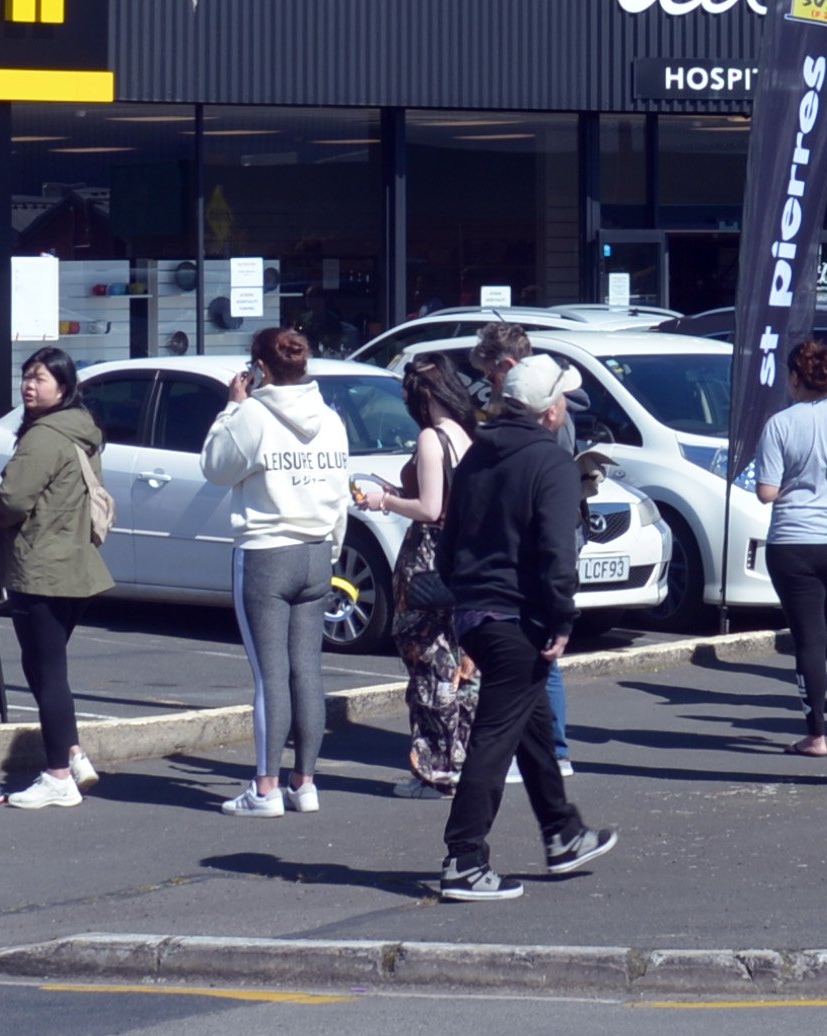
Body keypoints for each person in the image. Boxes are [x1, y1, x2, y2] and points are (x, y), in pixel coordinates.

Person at [431, 351, 618, 902]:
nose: (564, 405)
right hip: (519, 617)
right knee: (494, 738)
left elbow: (449, 539)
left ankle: (562, 832)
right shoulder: (551, 462)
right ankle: (464, 858)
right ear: (549, 412)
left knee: (533, 727)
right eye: (561, 397)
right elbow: (557, 553)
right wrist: (562, 618)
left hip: (475, 613)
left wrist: (463, 592)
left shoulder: (476, 454)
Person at [205, 324, 357, 814]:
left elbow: (214, 465)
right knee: (306, 671)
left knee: (271, 675)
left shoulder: (253, 415)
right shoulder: (331, 419)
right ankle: (304, 782)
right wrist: (332, 548)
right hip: (316, 551)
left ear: (260, 368)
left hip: (267, 552)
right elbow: (339, 492)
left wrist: (232, 405)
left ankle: (265, 787)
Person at [0, 348, 110, 807]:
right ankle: (72, 753)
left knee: (47, 669)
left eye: (39, 379)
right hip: (76, 562)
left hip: (41, 565)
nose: (28, 386)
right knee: (44, 664)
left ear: (63, 386)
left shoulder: (44, 435)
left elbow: (15, 499)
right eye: (25, 377)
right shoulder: (82, 430)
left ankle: (58, 776)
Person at [362, 355, 485, 792]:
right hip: (463, 556)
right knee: (457, 657)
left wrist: (385, 501)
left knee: (426, 657)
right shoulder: (467, 436)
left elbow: (430, 508)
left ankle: (436, 765)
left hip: (429, 559)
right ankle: (462, 756)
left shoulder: (432, 439)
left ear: (424, 396)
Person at [740, 340, 827, 754]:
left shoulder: (780, 424)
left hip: (792, 540)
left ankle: (815, 734)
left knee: (808, 638)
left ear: (793, 378)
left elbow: (766, 492)